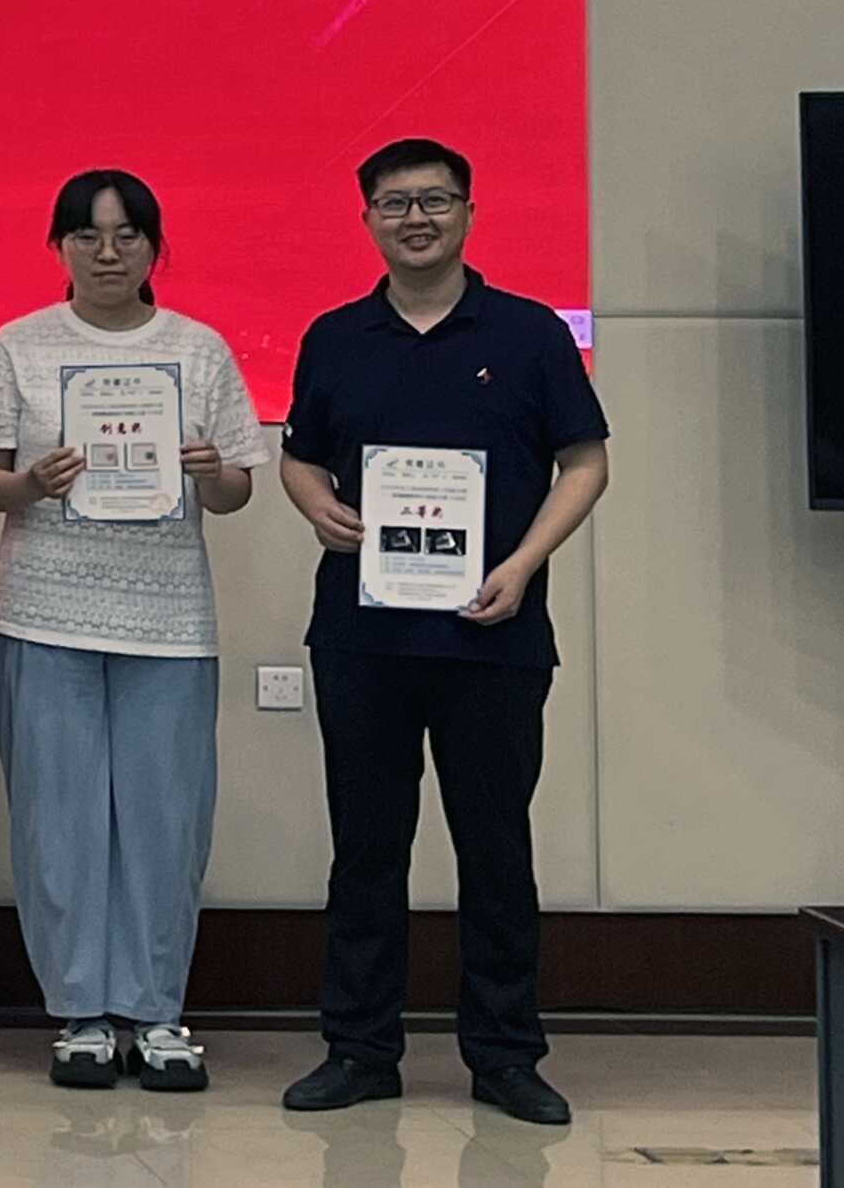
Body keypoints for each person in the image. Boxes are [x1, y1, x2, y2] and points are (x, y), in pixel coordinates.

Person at [278, 140, 609, 1128]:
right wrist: (314, 505)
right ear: (367, 220)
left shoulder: (528, 333)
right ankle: (358, 1049)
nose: (414, 218)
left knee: (495, 848)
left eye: (433, 200)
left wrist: (524, 563)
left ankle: (505, 1056)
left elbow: (585, 462)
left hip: (492, 635)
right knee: (365, 848)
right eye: (393, 204)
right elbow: (299, 456)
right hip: (361, 635)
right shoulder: (335, 336)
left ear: (467, 211)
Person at [0, 171, 270, 1094]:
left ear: (153, 246)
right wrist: (29, 486)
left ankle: (157, 1009)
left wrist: (210, 473)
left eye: (127, 235)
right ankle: (81, 1014)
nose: (107, 253)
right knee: (55, 819)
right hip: (43, 611)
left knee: (163, 820)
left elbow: (236, 489)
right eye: (87, 235)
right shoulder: (16, 346)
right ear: (57, 246)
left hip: (168, 621)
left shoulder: (198, 349)